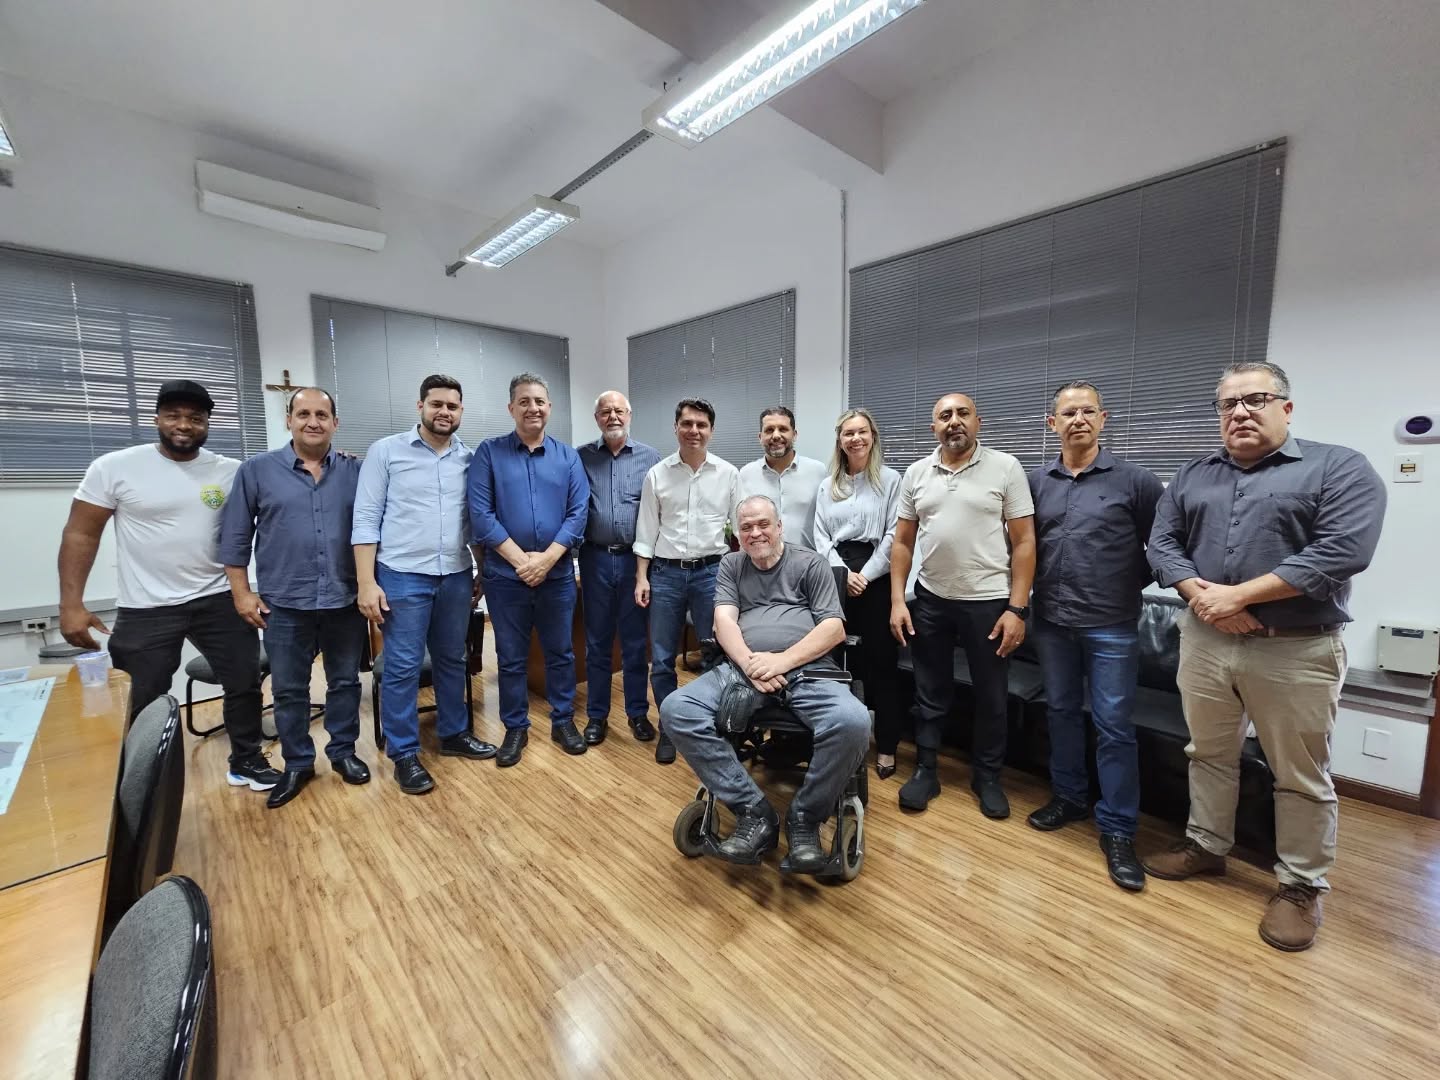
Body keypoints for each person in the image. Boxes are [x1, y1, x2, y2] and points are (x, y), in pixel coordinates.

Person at [1142, 361, 1385, 951]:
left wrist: (1240, 596)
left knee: (1299, 773)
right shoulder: (1194, 474)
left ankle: (1301, 885)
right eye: (1228, 404)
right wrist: (1206, 599)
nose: (1240, 412)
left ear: (1286, 408)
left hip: (1296, 648)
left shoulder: (1339, 467)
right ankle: (1206, 845)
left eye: (1255, 400)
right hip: (1206, 641)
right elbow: (1162, 544)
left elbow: (1343, 550)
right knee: (1208, 753)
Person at [58, 379, 278, 792]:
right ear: (157, 418)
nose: (184, 425)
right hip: (147, 606)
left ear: (207, 423)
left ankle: (246, 760)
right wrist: (71, 604)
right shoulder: (115, 467)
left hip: (218, 597)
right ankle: (140, 781)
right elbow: (80, 533)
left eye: (195, 418)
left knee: (244, 681)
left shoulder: (230, 471)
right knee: (142, 696)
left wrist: (339, 461)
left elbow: (283, 489)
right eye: (174, 415)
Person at [659, 495, 869, 872]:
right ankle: (754, 812)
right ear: (738, 534)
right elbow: (724, 621)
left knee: (854, 722)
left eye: (763, 524)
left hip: (808, 669)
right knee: (676, 709)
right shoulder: (732, 564)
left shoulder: (811, 563)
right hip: (744, 669)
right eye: (746, 527)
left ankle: (804, 817)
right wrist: (750, 665)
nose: (755, 533)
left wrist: (781, 662)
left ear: (779, 527)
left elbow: (834, 628)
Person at [1026, 382, 1164, 890]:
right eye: (1068, 413)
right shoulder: (1035, 483)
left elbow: (1164, 546)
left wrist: (1124, 582)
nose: (1078, 420)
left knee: (1113, 726)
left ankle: (1119, 828)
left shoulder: (1137, 482)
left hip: (1112, 626)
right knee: (1060, 712)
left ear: (1103, 419)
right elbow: (1021, 545)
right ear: (1053, 424)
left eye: (1088, 411)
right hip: (1052, 622)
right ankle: (1069, 797)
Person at [219, 387, 371, 809]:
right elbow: (235, 536)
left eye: (322, 415)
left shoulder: (357, 471)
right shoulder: (256, 471)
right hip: (284, 603)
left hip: (343, 599)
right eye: (303, 414)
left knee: (345, 683)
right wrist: (241, 593)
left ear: (335, 423)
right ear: (288, 420)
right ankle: (298, 763)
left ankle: (342, 752)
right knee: (289, 690)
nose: (313, 422)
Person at [889, 393, 1035, 818]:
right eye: (944, 416)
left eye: (962, 413)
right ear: (933, 427)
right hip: (931, 599)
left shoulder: (1005, 467)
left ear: (978, 421)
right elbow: (902, 542)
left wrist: (1017, 609)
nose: (954, 421)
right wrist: (898, 600)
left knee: (991, 695)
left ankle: (986, 777)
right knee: (928, 690)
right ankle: (926, 770)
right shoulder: (917, 472)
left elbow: (1025, 542)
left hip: (989, 603)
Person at [353, 374, 495, 795]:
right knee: (403, 665)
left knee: (453, 658)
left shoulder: (469, 459)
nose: (444, 412)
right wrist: (366, 582)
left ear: (461, 411)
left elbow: (473, 523)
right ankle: (404, 753)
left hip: (454, 574)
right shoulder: (386, 452)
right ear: (421, 407)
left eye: (452, 406)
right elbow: (365, 518)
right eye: (436, 404)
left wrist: (482, 570)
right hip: (401, 574)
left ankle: (454, 734)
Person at [469, 373, 589, 768]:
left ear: (549, 407)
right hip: (506, 580)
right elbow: (481, 515)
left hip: (556, 578)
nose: (532, 408)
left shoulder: (568, 457)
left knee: (561, 653)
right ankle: (515, 727)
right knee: (510, 657)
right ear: (511, 408)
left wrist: (546, 560)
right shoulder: (489, 453)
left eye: (539, 401)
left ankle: (562, 721)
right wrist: (523, 562)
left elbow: (578, 514)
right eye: (524, 401)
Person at [633, 398, 741, 765]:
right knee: (662, 657)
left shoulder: (729, 474)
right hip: (665, 574)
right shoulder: (657, 474)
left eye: (701, 425)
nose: (694, 430)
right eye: (687, 424)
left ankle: (707, 723)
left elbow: (740, 531)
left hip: (712, 573)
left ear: (711, 430)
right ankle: (670, 726)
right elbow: (646, 531)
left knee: (715, 652)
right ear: (676, 428)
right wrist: (641, 577)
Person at [812, 408, 902, 780]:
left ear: (872, 436)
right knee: (837, 662)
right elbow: (819, 536)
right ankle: (843, 741)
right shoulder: (827, 485)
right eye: (848, 433)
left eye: (862, 432)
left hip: (877, 577)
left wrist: (864, 575)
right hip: (836, 578)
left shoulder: (891, 480)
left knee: (882, 665)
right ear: (840, 440)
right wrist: (843, 574)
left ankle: (887, 746)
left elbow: (895, 534)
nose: (856, 439)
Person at [577, 391, 662, 745]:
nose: (613, 416)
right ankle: (596, 716)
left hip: (634, 561)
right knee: (596, 642)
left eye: (619, 411)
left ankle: (637, 713)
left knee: (634, 642)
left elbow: (658, 511)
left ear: (629, 415)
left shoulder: (650, 458)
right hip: (594, 558)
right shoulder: (580, 457)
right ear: (597, 418)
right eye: (605, 411)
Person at [738, 406, 828, 550]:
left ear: (794, 435)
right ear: (760, 437)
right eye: (769, 430)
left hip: (808, 559)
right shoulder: (745, 474)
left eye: (783, 429)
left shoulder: (818, 471)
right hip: (760, 559)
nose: (776, 435)